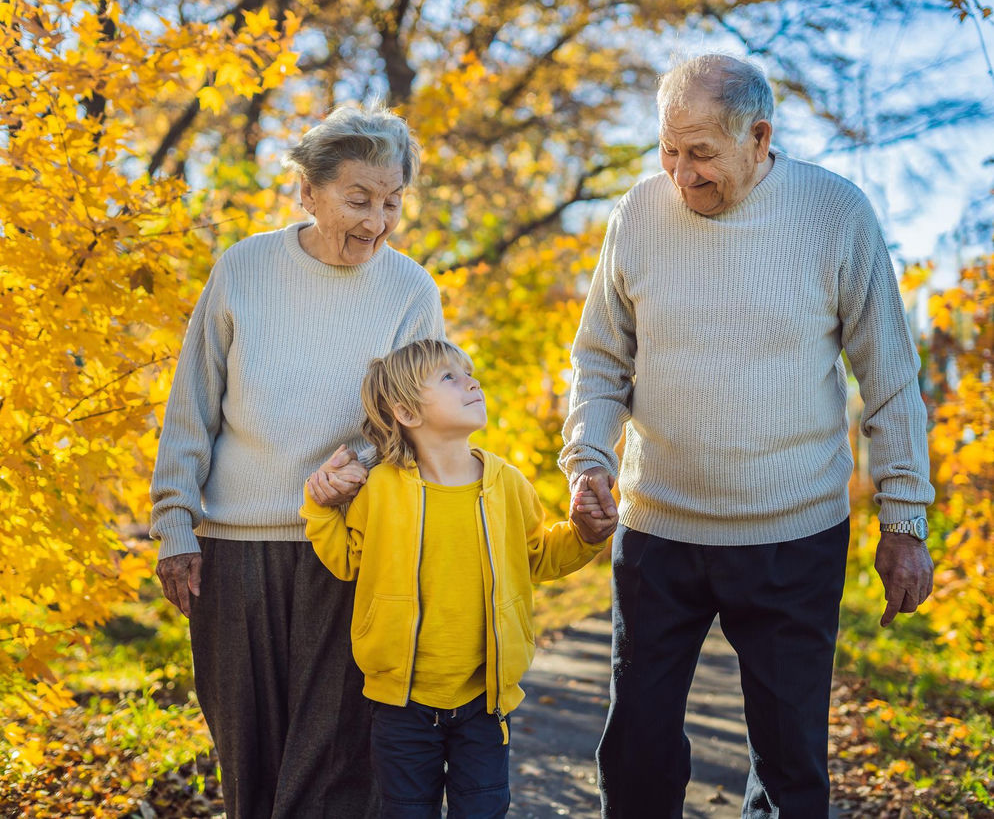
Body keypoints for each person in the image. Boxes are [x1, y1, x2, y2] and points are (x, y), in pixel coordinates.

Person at [561, 54, 935, 819]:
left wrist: (905, 519)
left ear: (760, 137)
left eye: (701, 153)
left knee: (792, 763)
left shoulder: (835, 214)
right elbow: (601, 361)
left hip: (793, 536)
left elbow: (889, 377)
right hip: (660, 529)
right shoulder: (637, 213)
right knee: (636, 751)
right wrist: (588, 461)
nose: (681, 174)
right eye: (669, 149)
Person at [149, 104, 446, 819]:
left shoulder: (411, 290)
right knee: (250, 765)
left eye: (392, 202)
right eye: (359, 199)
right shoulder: (244, 269)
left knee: (336, 766)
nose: (377, 222)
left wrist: (365, 455)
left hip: (347, 553)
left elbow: (423, 412)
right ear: (307, 192)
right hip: (232, 554)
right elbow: (192, 405)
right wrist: (175, 526)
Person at [300, 339, 614, 818]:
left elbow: (540, 557)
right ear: (405, 411)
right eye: (449, 377)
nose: (472, 381)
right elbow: (346, 559)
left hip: (484, 702)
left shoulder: (506, 483)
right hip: (401, 703)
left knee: (483, 811)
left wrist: (585, 535)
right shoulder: (381, 488)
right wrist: (320, 509)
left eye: (468, 372)